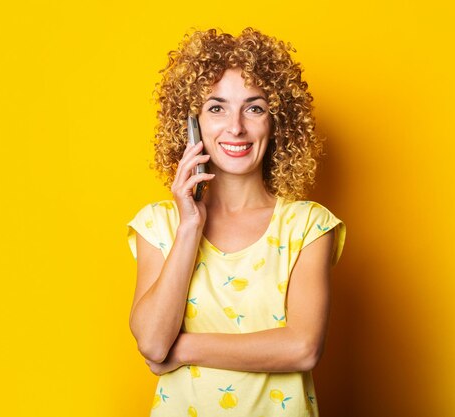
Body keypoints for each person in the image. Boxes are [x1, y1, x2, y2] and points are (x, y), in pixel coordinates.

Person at [126, 27, 347, 417]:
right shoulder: (158, 226)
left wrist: (184, 348)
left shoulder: (308, 226)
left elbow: (302, 348)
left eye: (254, 107)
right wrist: (190, 226)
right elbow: (151, 342)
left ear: (277, 123)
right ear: (191, 124)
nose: (236, 127)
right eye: (216, 107)